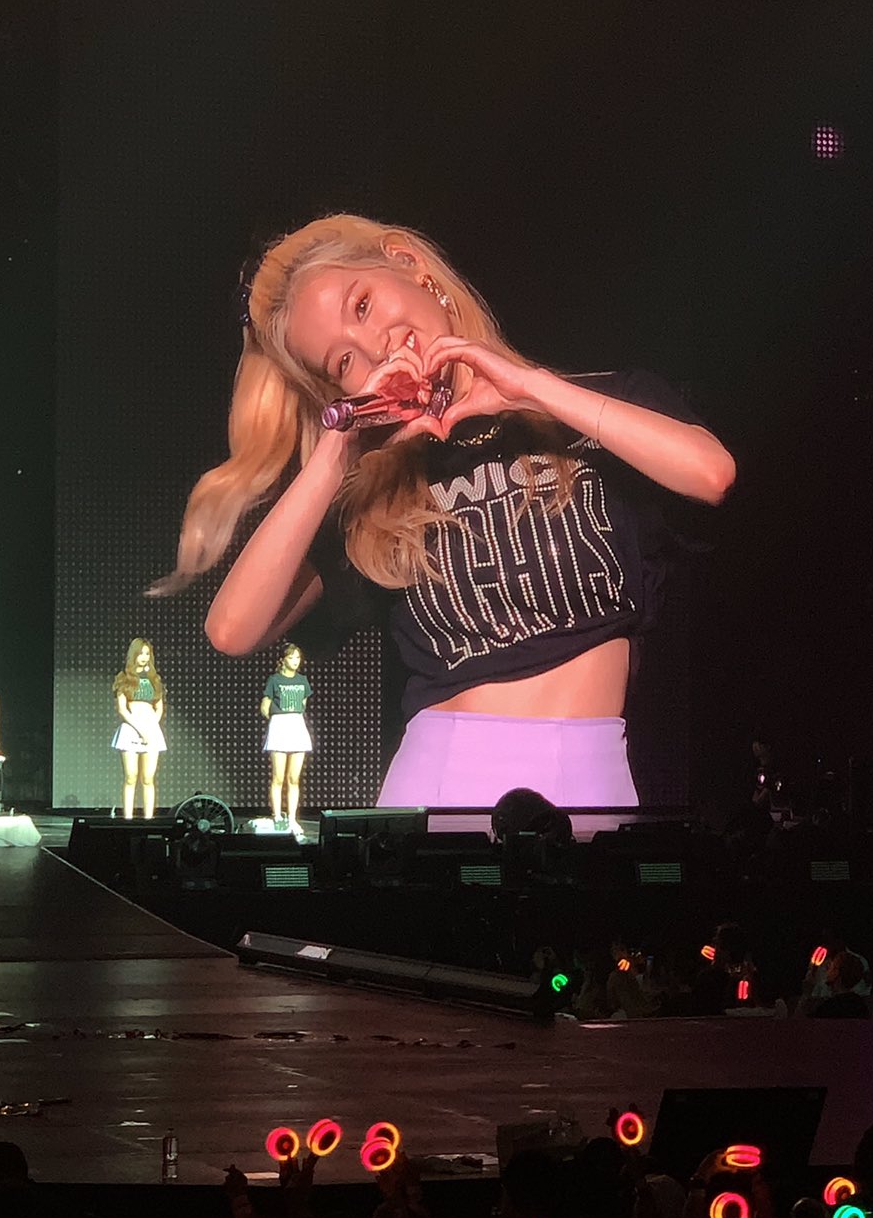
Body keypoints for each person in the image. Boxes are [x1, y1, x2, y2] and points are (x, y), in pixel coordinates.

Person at [157, 216, 735, 810]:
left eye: (363, 305)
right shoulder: (380, 496)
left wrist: (529, 389)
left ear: (411, 267)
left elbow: (712, 474)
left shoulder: (597, 408)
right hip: (437, 779)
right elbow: (231, 630)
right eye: (343, 362)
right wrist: (337, 450)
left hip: (587, 771)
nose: (376, 346)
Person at [260, 642, 313, 833]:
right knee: (278, 777)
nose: (295, 661)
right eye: (291, 657)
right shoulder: (274, 680)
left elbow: (304, 703)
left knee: (294, 778)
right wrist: (276, 719)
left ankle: (292, 818)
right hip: (280, 726)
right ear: (282, 660)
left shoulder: (302, 680)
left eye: (298, 657)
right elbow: (265, 706)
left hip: (297, 726)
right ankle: (277, 816)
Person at [110, 638, 165, 820]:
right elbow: (122, 709)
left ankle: (149, 819)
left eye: (147, 654)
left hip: (151, 731)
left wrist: (152, 727)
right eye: (140, 653)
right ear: (133, 655)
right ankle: (128, 818)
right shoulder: (124, 678)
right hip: (131, 729)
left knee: (148, 778)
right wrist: (140, 729)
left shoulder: (155, 679)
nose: (144, 657)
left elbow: (159, 707)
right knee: (131, 776)